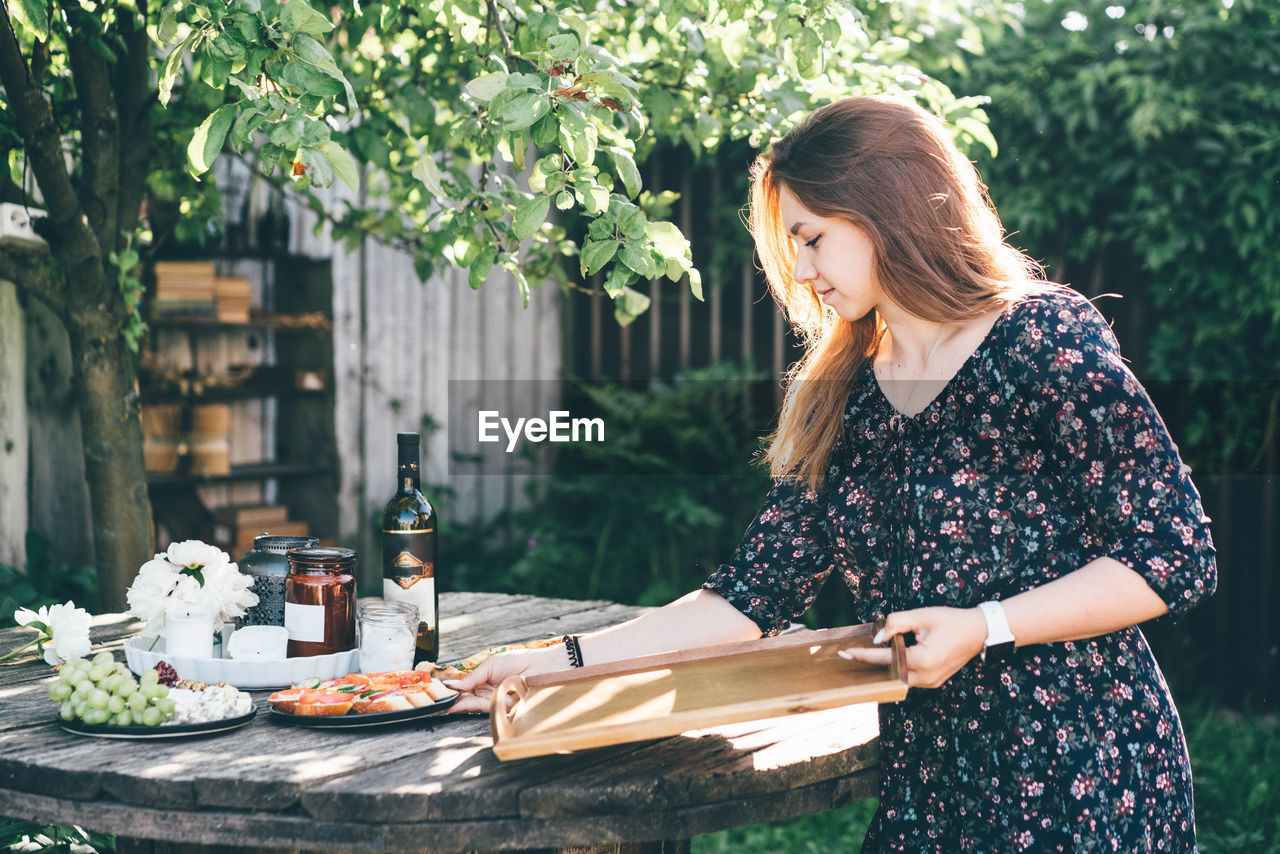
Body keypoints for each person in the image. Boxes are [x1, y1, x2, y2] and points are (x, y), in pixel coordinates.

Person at [448, 95, 1217, 852]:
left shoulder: (1041, 337)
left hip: (1082, 773)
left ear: (885, 206)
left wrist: (986, 629)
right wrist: (560, 663)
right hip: (931, 788)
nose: (805, 272)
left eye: (812, 239)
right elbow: (748, 598)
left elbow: (1173, 554)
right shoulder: (844, 391)